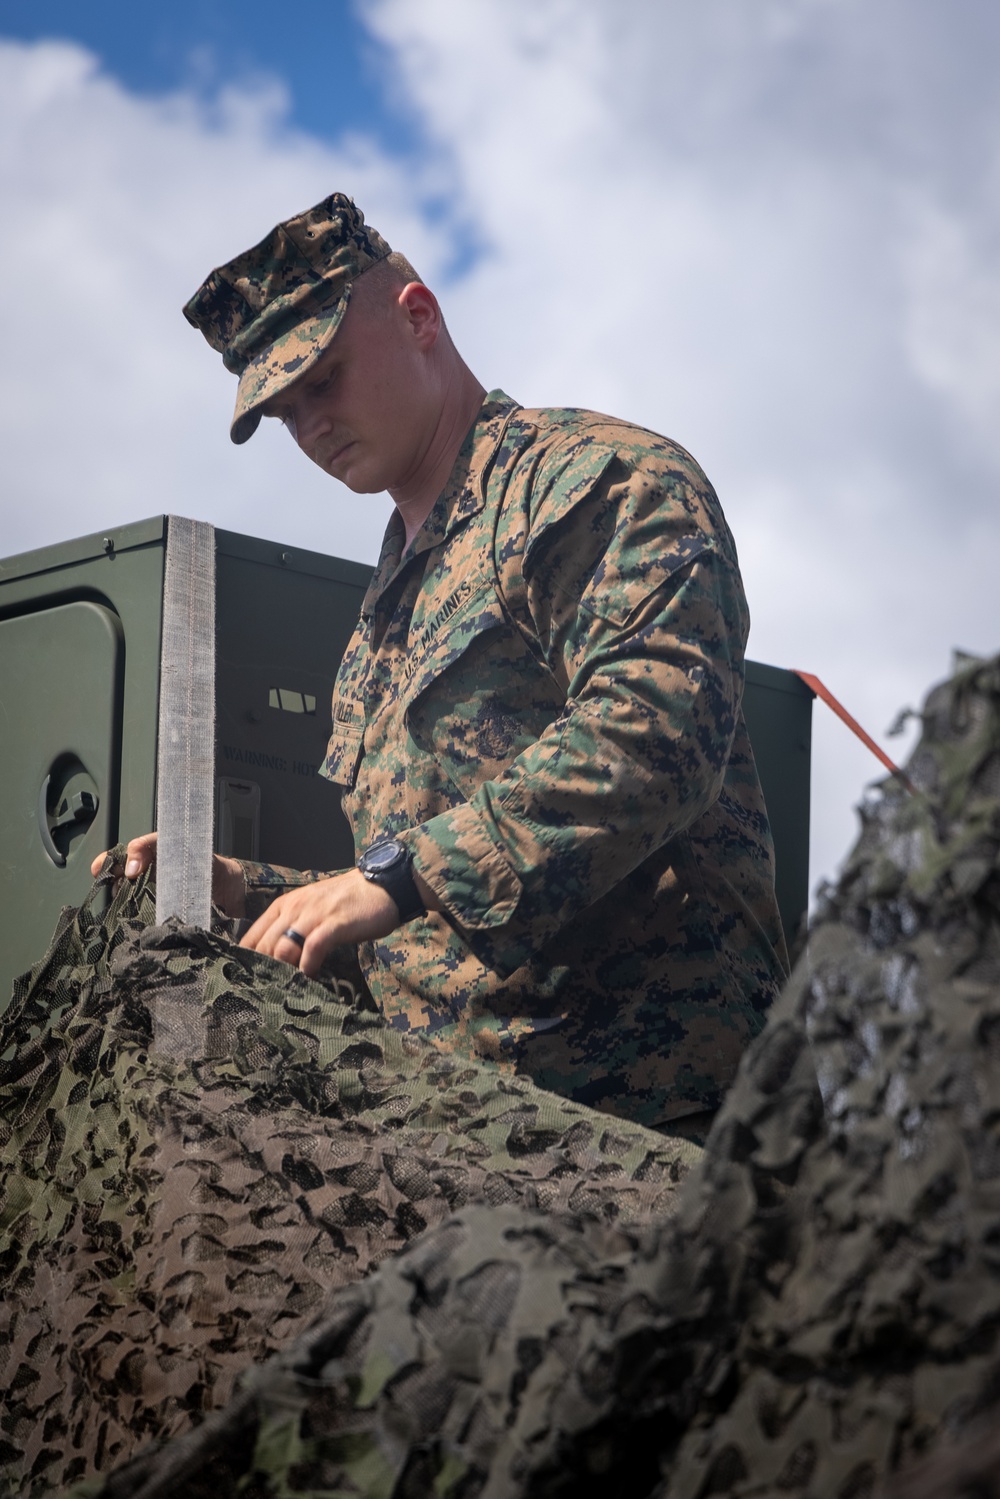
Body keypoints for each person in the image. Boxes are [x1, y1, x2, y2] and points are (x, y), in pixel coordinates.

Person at [95, 191, 788, 1133]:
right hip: (469, 1143)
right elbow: (410, 897)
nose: (311, 425)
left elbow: (656, 732)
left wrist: (391, 877)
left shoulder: (590, 482)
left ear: (418, 318)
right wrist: (253, 895)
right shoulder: (390, 602)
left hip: (660, 1130)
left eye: (324, 379)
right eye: (285, 411)